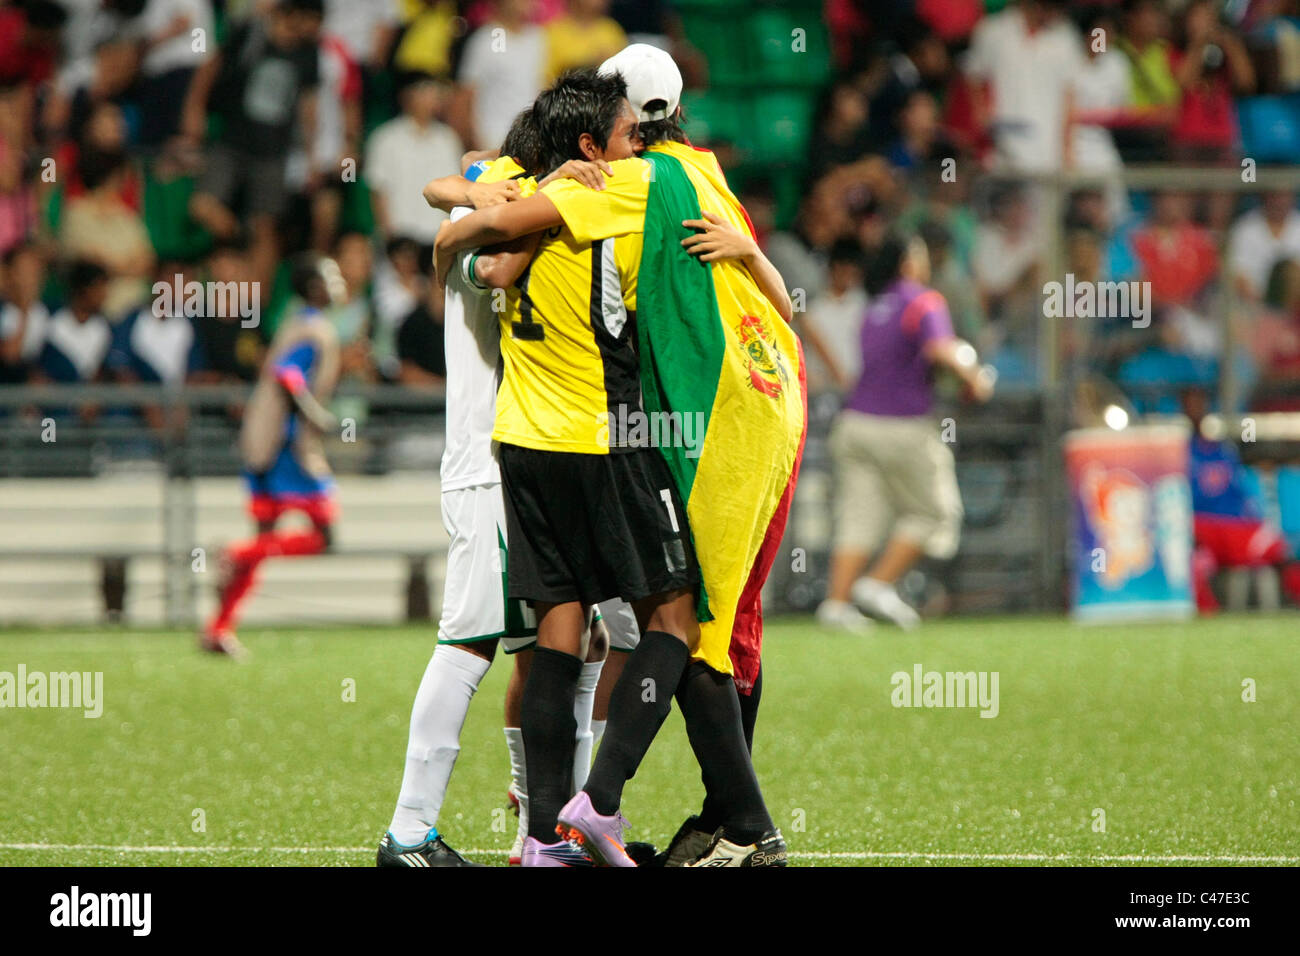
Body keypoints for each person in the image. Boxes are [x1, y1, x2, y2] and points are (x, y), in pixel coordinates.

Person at [434, 52, 803, 867]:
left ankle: (541, 841)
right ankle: (627, 808)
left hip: (521, 443)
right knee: (687, 621)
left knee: (556, 642)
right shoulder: (657, 180)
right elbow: (783, 310)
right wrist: (750, 252)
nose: (633, 141)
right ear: (599, 139)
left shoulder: (526, 176)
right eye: (625, 132)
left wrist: (453, 228)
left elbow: (481, 230)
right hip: (630, 432)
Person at [818, 234, 993, 632]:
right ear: (909, 261)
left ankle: (836, 603)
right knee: (935, 513)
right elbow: (940, 349)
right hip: (902, 426)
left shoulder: (871, 307)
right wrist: (976, 378)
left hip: (855, 423)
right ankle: (878, 585)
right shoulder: (923, 300)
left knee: (858, 516)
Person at [201, 255, 344, 658]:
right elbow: (288, 376)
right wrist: (318, 416)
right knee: (324, 535)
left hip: (265, 444)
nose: (339, 282)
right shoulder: (315, 328)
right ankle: (234, 554)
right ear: (314, 286)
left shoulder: (296, 321)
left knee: (264, 541)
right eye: (330, 275)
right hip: (288, 449)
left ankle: (218, 628)